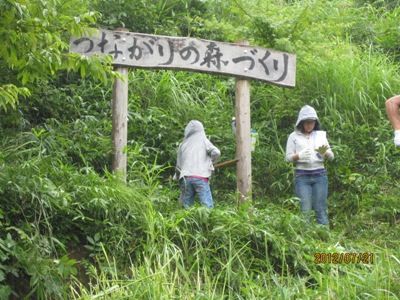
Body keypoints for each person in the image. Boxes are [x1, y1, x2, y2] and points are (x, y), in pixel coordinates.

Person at [285, 105, 334, 227]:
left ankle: (324, 239)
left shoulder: (320, 136)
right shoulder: (294, 136)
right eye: (306, 123)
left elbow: (332, 156)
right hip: (302, 177)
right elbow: (287, 158)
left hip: (320, 176)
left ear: (315, 123)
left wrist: (324, 152)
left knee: (320, 209)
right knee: (305, 211)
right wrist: (298, 156)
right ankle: (306, 240)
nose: (309, 125)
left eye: (311, 123)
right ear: (301, 122)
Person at [174, 120, 221, 209]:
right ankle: (208, 222)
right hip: (201, 177)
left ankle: (187, 222)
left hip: (185, 178)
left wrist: (176, 176)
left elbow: (178, 166)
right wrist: (212, 162)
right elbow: (216, 152)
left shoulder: (182, 145)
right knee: (207, 206)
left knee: (186, 208)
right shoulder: (203, 140)